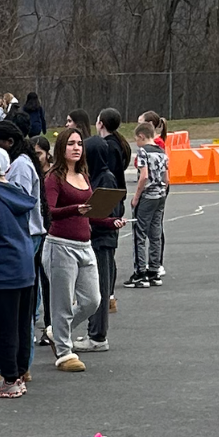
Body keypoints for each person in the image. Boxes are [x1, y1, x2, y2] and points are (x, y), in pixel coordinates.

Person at [43, 128, 123, 373]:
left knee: (93, 300)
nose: (76, 148)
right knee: (62, 303)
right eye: (70, 144)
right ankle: (64, 353)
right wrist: (75, 209)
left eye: (79, 143)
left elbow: (90, 213)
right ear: (61, 148)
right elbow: (50, 211)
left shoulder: (83, 175)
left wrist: (110, 221)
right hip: (60, 246)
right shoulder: (53, 177)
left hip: (85, 245)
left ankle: (57, 331)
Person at [0, 119, 47, 388]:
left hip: (5, 263)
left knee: (4, 321)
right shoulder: (21, 197)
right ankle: (19, 370)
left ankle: (7, 375)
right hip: (24, 258)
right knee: (22, 318)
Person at [90, 107, 131, 327]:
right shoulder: (117, 143)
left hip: (111, 199)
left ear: (101, 123)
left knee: (105, 256)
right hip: (114, 198)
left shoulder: (109, 147)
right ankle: (108, 296)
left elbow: (112, 176)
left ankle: (108, 296)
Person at [125, 121, 168, 288]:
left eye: (137, 139)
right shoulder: (162, 152)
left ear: (142, 136)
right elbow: (166, 177)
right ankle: (154, 270)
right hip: (160, 194)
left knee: (140, 233)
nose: (136, 142)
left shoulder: (143, 152)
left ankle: (140, 272)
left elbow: (144, 176)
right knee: (155, 233)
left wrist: (136, 196)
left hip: (147, 195)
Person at [31, 135, 54, 341]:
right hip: (34, 232)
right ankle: (30, 323)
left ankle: (50, 326)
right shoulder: (30, 173)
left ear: (47, 154)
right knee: (31, 281)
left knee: (48, 282)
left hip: (50, 232)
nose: (36, 157)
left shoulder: (52, 175)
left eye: (38, 153)